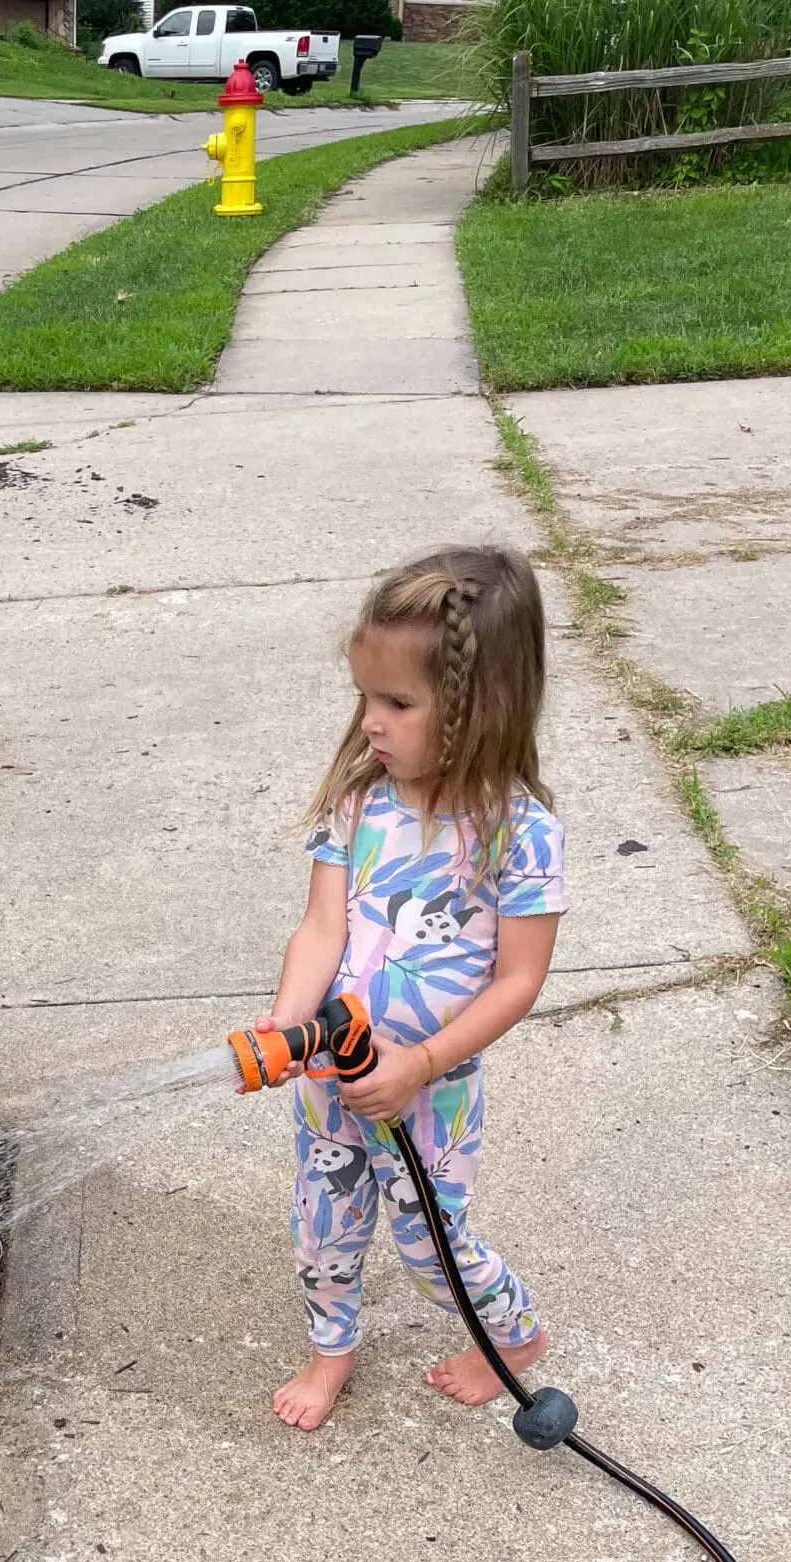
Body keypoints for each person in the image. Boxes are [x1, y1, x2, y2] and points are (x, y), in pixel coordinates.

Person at [262, 546, 565, 1433]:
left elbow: (519, 979)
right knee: (321, 1231)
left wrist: (422, 1060)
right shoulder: (357, 807)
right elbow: (321, 929)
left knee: (432, 1246)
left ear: (479, 709)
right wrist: (287, 1024)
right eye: (364, 698)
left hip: (429, 1096)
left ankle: (513, 1337)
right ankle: (330, 1352)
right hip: (332, 1083)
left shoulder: (519, 835)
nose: (369, 723)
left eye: (396, 703)